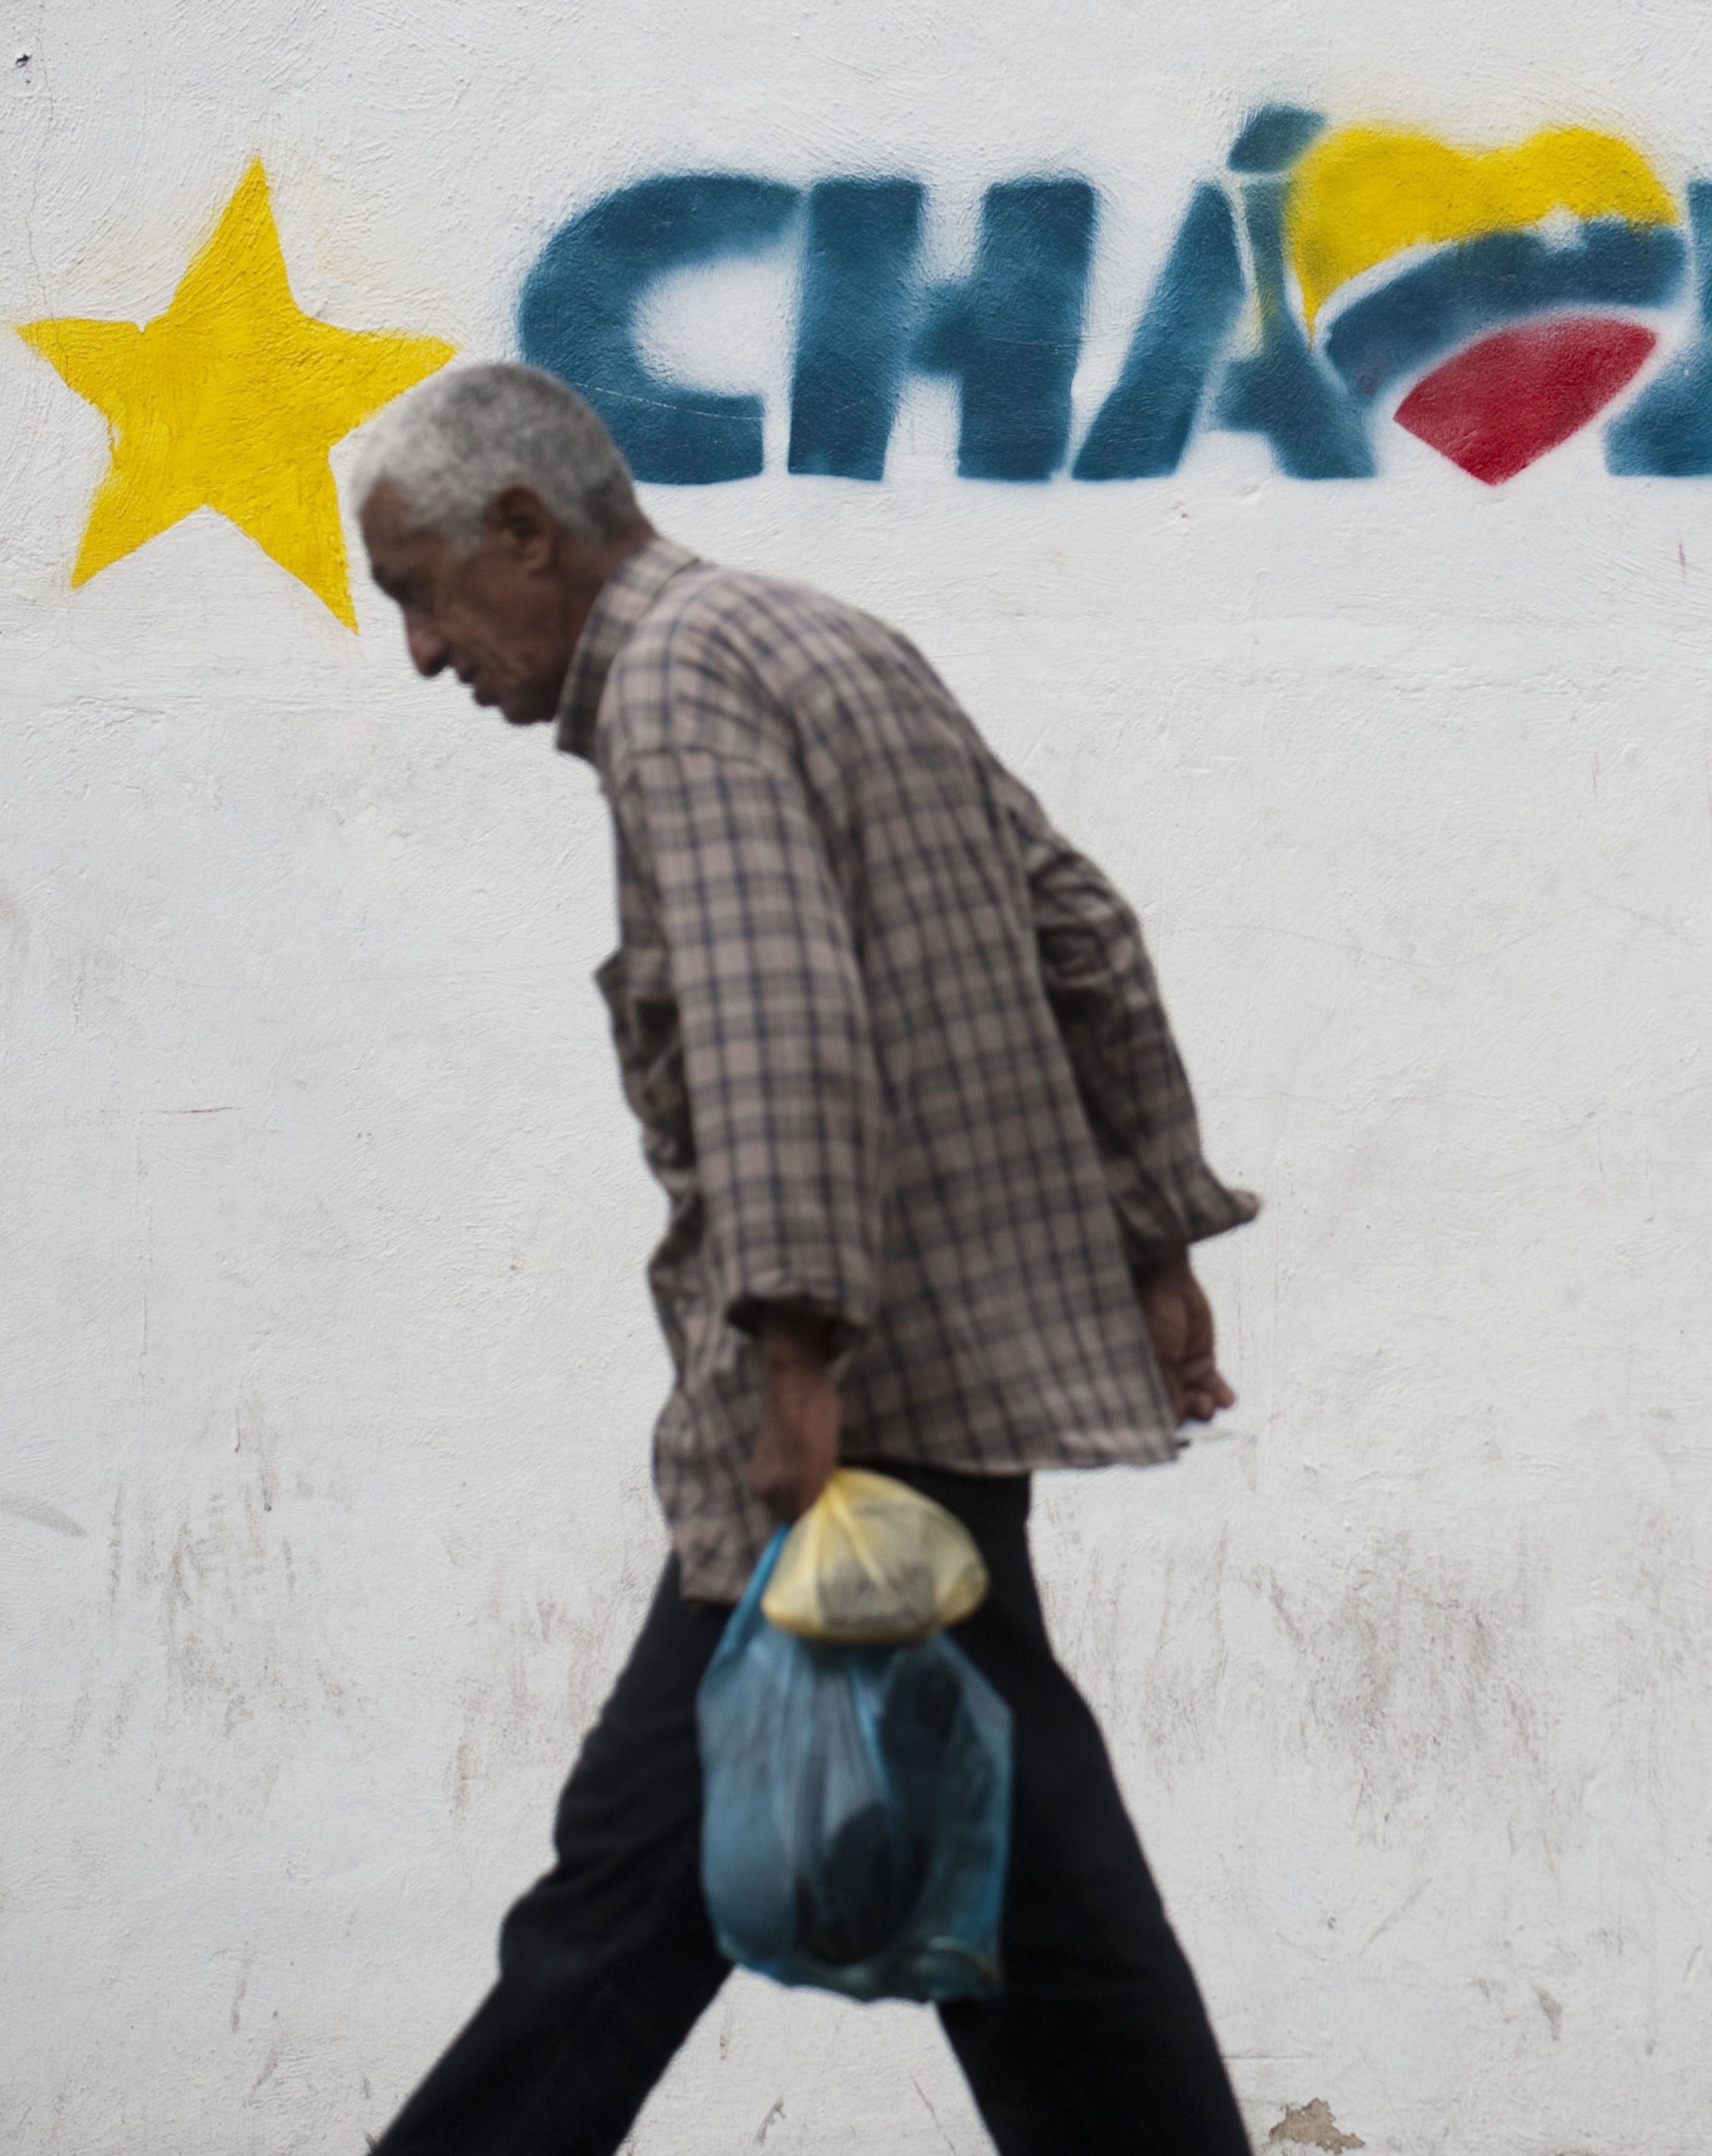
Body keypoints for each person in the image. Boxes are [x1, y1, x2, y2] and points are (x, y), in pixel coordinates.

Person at [348, 362, 1260, 2155]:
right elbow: (1082, 930)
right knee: (1032, 1919)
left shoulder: (677, 690)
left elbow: (778, 1026)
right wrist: (1152, 1234)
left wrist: (790, 1358)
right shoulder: (823, 638)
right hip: (930, 1404)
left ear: (524, 531)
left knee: (622, 1912)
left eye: (424, 594)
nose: (427, 654)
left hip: (847, 1424)